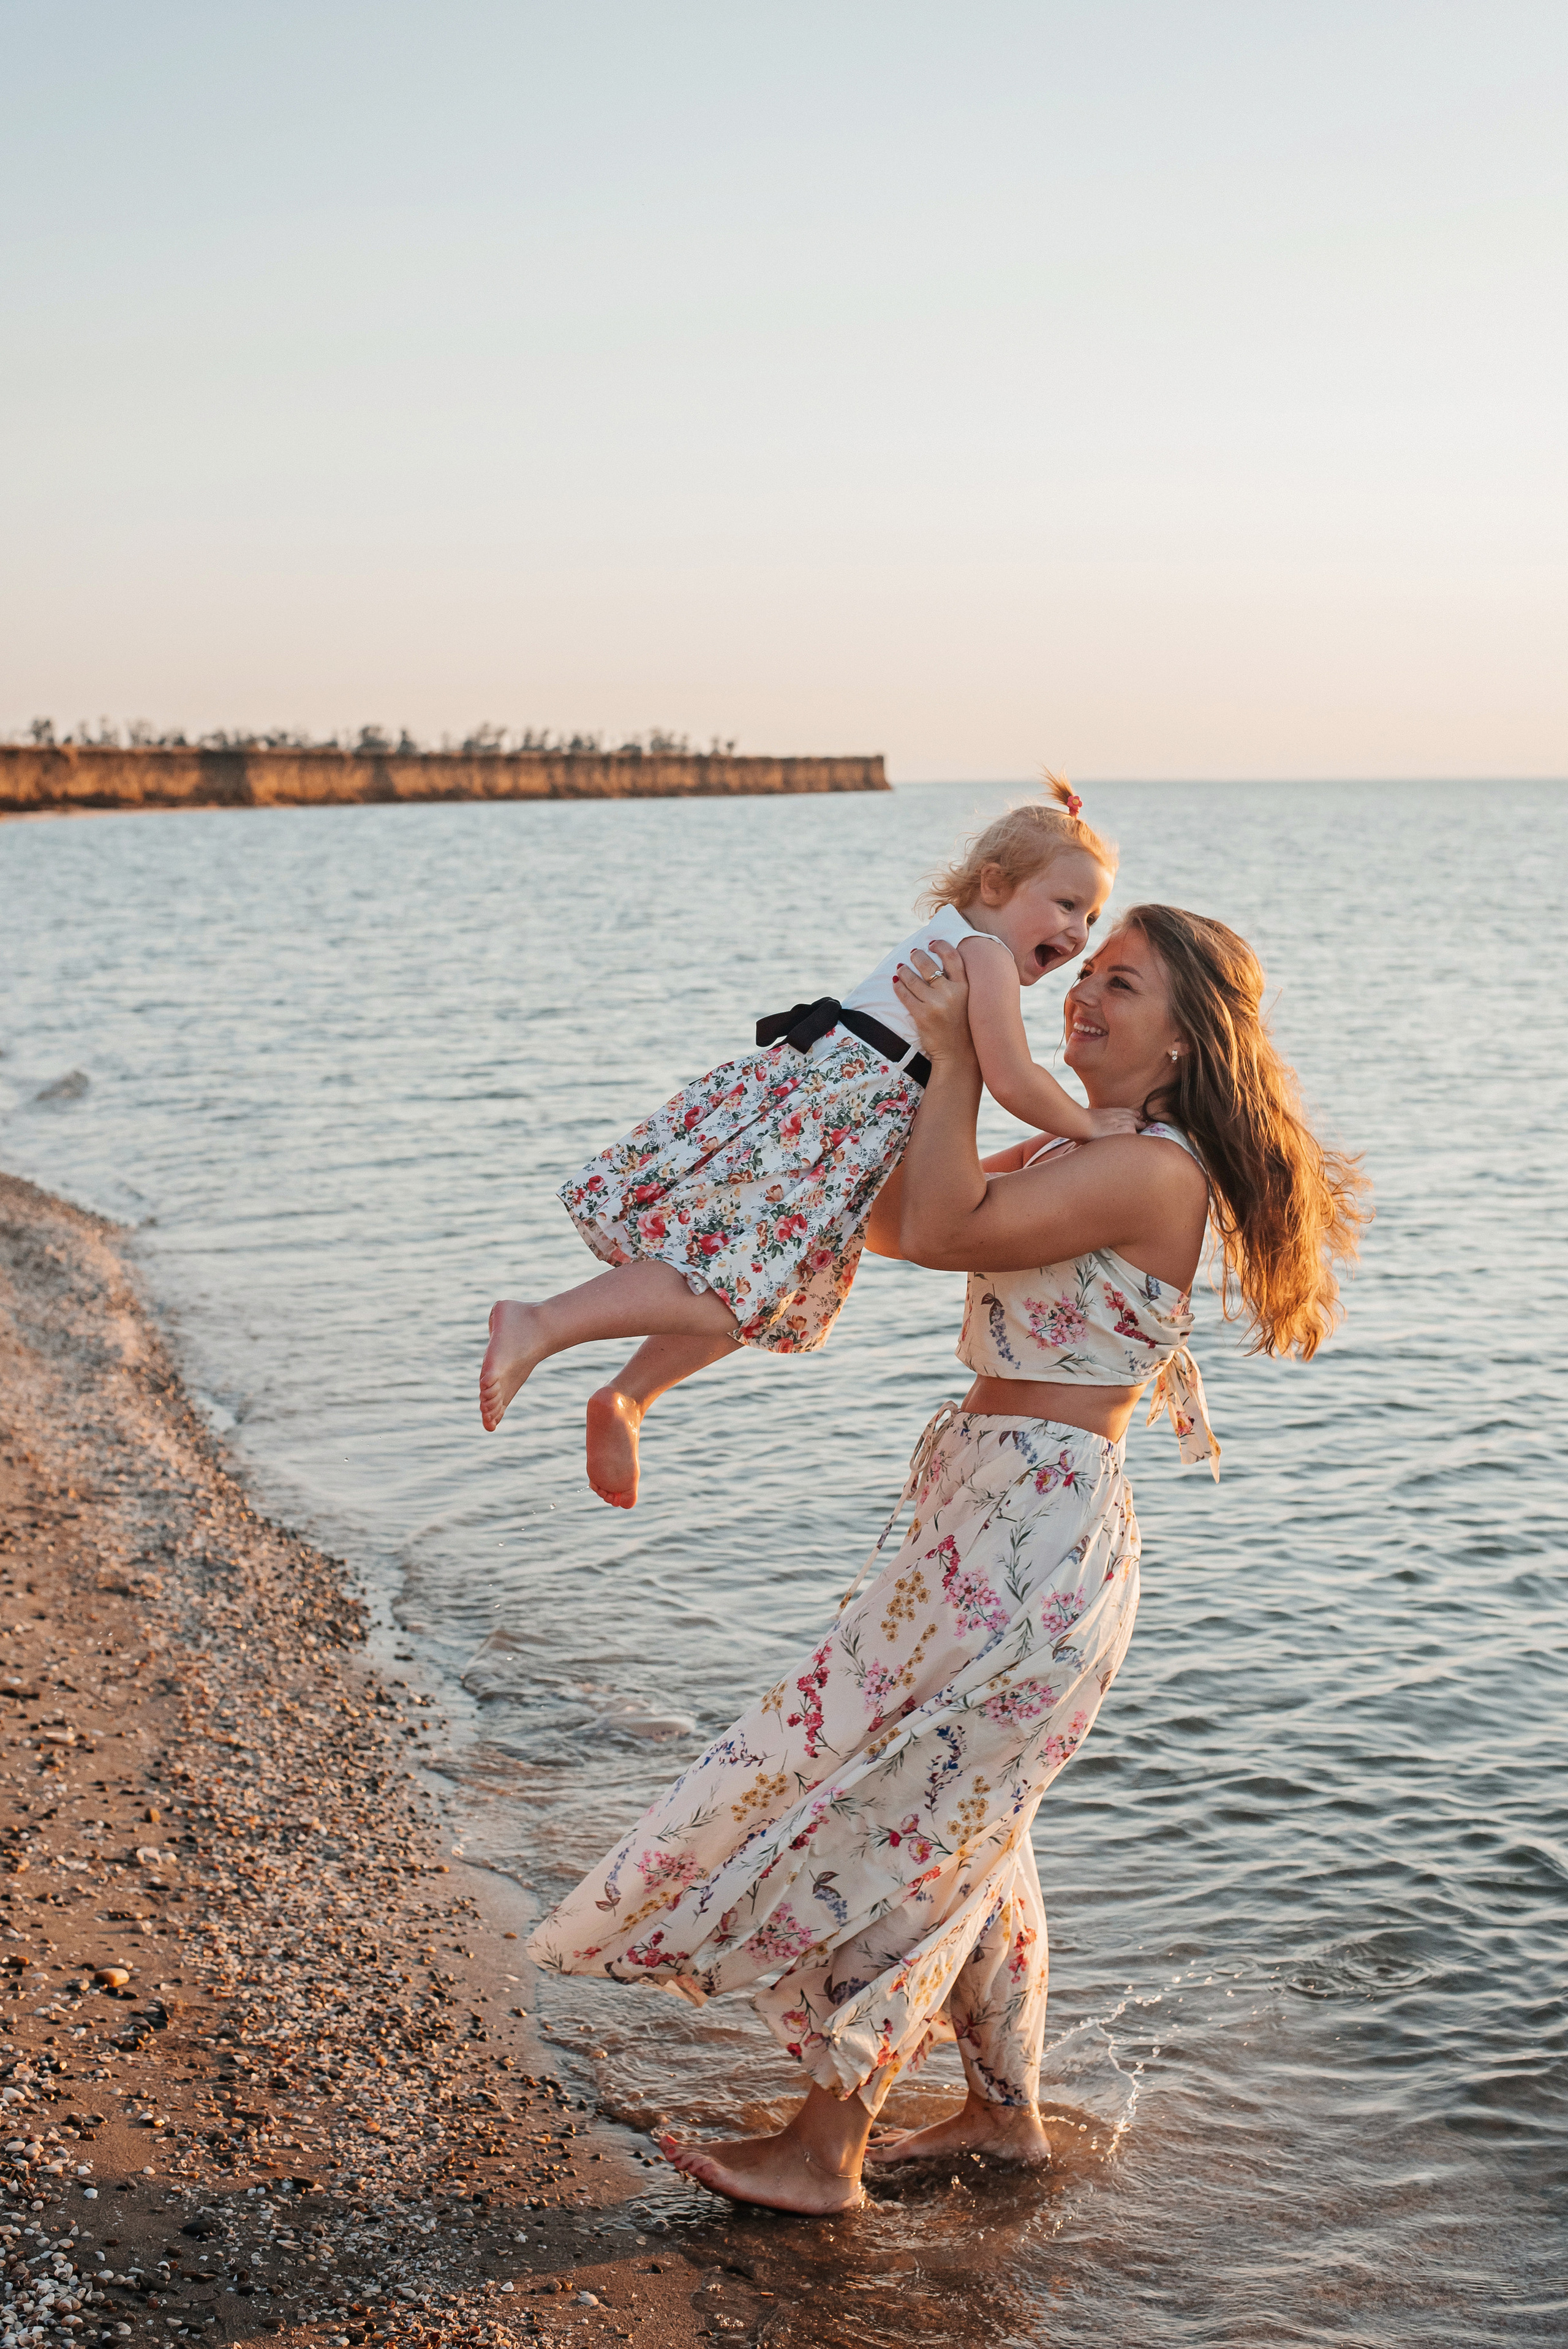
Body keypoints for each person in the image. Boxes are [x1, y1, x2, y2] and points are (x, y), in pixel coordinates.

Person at [525, 906, 1366, 2216]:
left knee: (930, 1829)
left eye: (1119, 985)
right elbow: (905, 1222)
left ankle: (825, 2151)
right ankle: (1001, 2116)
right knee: (975, 1828)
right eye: (1081, 977)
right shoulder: (1094, 1145)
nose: (1080, 1000)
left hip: (1032, 1543)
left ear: (1187, 1033)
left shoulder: (1152, 1171)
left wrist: (958, 1051)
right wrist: (862, 1082)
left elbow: (947, 1225)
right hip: (987, 1514)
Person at [480, 781, 1134, 1477]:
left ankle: (629, 1396)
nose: (1076, 934)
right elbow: (1013, 1077)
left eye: (1092, 917)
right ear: (997, 884)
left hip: (833, 1108)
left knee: (761, 1282)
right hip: (840, 1116)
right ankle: (543, 1325)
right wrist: (1090, 1125)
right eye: (1065, 905)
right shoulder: (987, 955)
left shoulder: (948, 931)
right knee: (741, 1280)